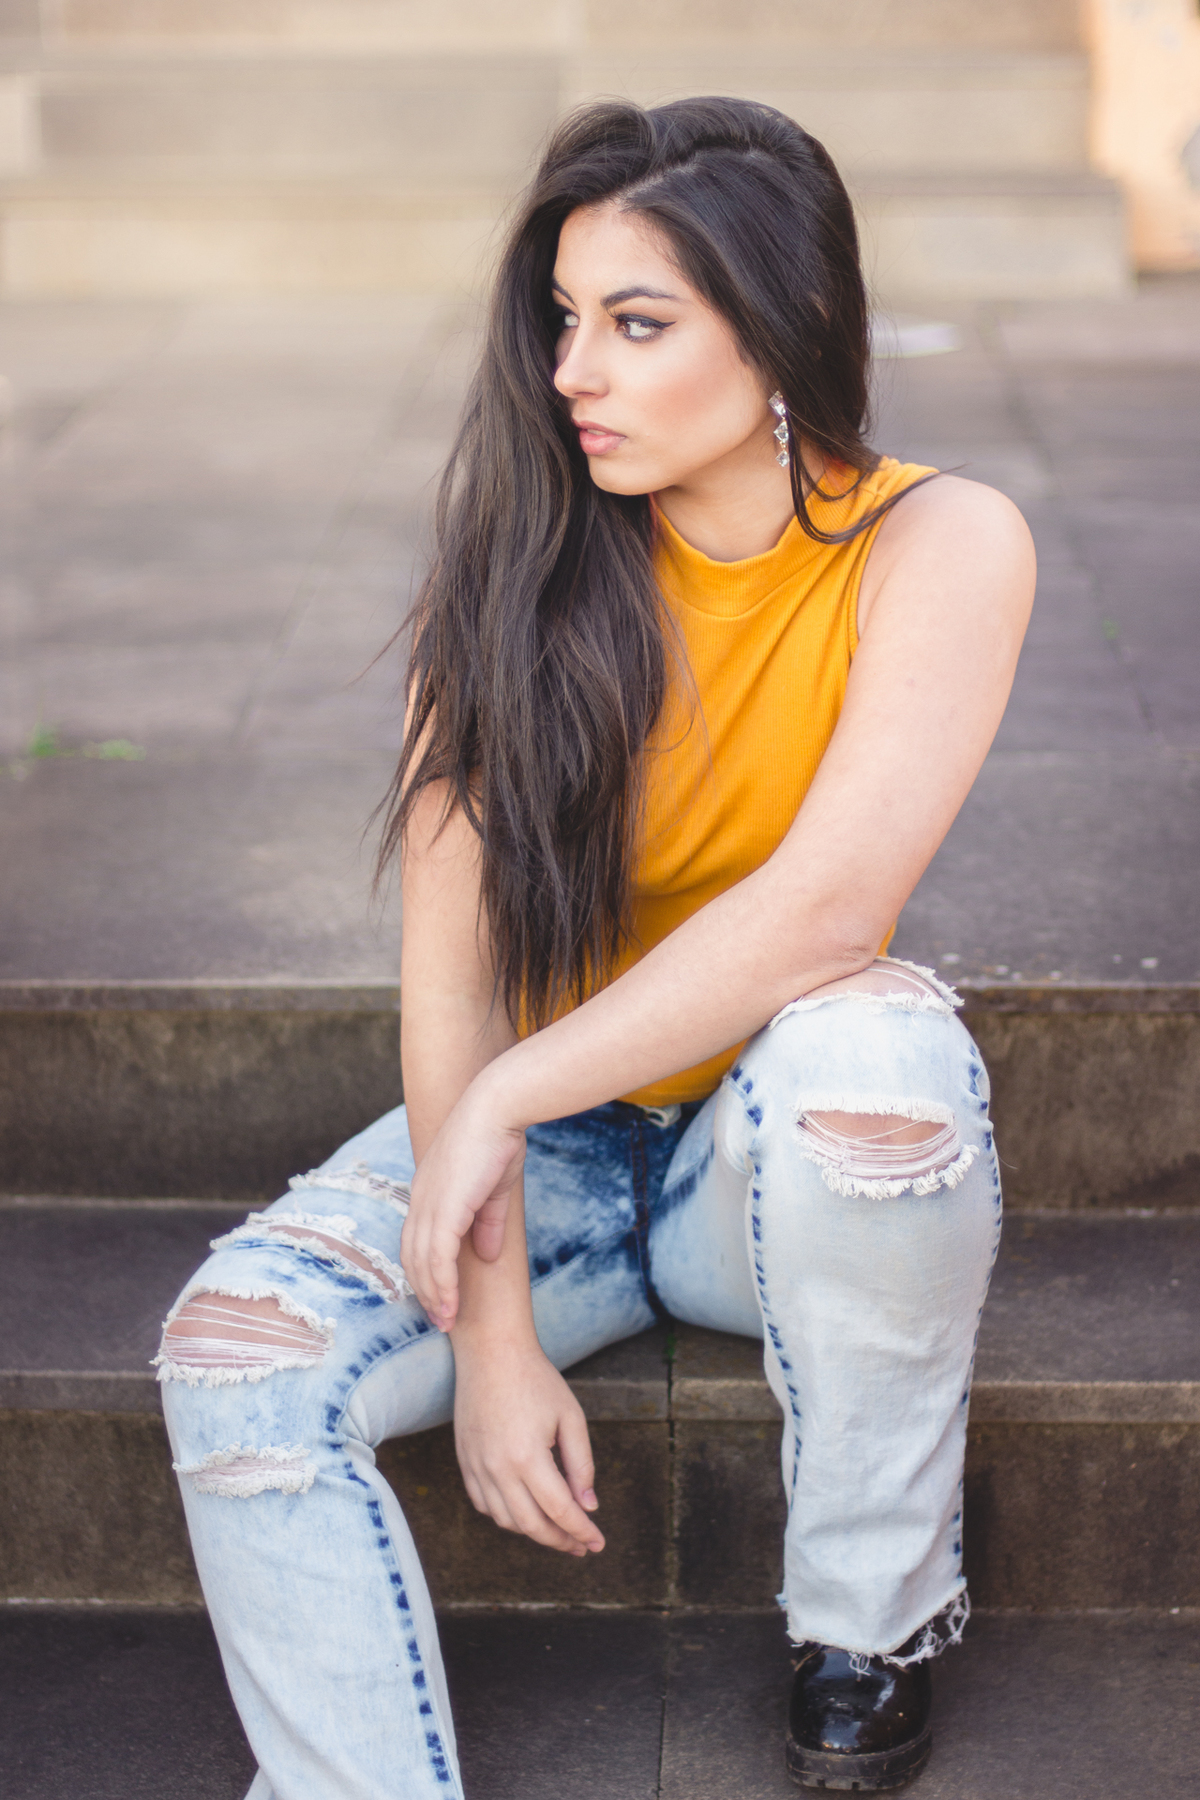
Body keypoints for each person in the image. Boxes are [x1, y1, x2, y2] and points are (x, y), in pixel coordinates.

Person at [156, 97, 1034, 1797]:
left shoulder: (938, 541)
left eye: (637, 324)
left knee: (881, 1045)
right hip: (547, 1168)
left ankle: (866, 1627)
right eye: (564, 320)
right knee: (232, 1356)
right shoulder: (508, 576)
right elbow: (453, 989)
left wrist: (500, 1105)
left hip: (762, 1158)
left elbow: (828, 908)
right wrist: (491, 1337)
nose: (574, 371)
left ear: (785, 326)